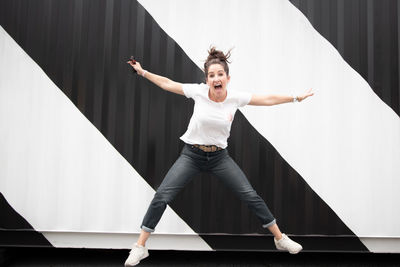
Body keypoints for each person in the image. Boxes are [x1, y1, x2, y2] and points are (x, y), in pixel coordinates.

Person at [125, 47, 314, 266]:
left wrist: (295, 98)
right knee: (162, 196)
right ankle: (140, 247)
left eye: (220, 74)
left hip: (219, 158)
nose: (216, 78)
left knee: (250, 196)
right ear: (207, 80)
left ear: (227, 78)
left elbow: (267, 99)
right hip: (192, 155)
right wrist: (143, 72)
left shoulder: (235, 98)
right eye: (211, 75)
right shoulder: (198, 92)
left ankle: (280, 239)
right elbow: (168, 84)